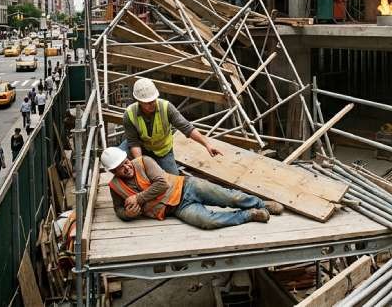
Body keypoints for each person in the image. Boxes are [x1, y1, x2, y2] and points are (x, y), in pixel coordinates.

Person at [100, 147, 281, 229]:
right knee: (208, 222)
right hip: (177, 209)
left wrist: (138, 199)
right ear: (113, 172)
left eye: (126, 162)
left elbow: (162, 184)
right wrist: (128, 215)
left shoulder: (143, 162)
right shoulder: (115, 186)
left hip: (187, 186)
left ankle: (261, 203)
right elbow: (118, 209)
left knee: (230, 198)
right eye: (121, 167)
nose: (127, 167)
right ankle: (250, 215)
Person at [120, 78, 222, 175]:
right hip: (141, 147)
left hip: (162, 150)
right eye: (147, 102)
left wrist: (207, 144)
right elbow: (134, 143)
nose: (152, 104)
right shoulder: (129, 114)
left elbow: (187, 127)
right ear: (139, 101)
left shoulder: (166, 107)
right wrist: (141, 164)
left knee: (174, 179)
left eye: (153, 100)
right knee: (117, 158)